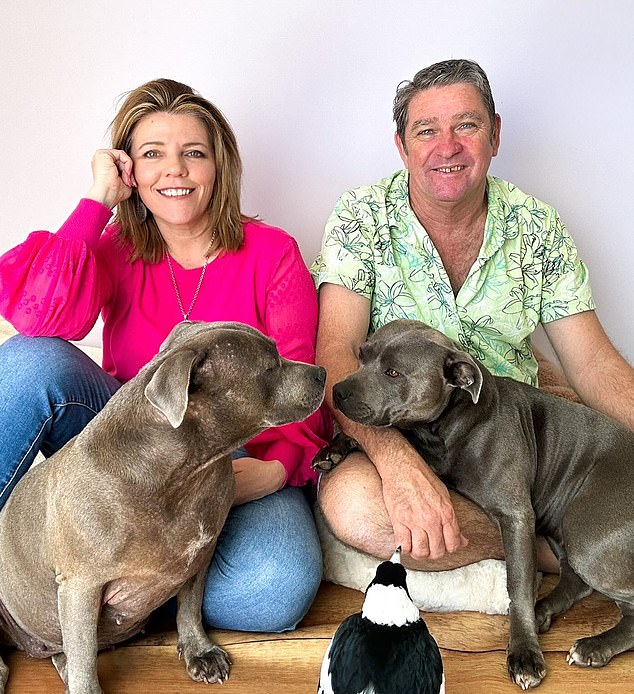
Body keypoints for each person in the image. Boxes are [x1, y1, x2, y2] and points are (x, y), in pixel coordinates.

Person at [0, 78, 332, 632]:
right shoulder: (115, 248)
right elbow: (36, 316)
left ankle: (121, 599)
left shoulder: (273, 254)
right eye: (152, 155)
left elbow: (298, 387)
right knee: (28, 362)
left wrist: (273, 470)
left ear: (218, 168)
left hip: (235, 457)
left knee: (273, 587)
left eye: (193, 154)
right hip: (127, 450)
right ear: (131, 171)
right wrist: (97, 202)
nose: (174, 171)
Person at [311, 58, 634, 574]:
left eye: (467, 125)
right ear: (402, 146)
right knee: (355, 505)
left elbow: (593, 363)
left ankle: (545, 539)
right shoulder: (362, 216)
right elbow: (335, 351)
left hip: (513, 447)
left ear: (495, 135)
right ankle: (559, 549)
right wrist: (398, 465)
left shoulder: (537, 227)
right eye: (426, 130)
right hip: (405, 434)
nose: (448, 147)